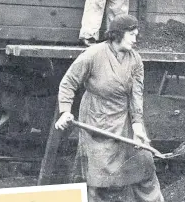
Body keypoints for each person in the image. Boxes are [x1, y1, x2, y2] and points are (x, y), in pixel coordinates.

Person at [55, 14, 164, 202]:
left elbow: (136, 95)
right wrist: (65, 111)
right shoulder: (93, 55)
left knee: (144, 165)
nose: (135, 39)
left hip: (126, 117)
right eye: (132, 35)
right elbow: (68, 82)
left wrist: (138, 127)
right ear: (117, 35)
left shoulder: (135, 59)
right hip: (98, 116)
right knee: (100, 177)